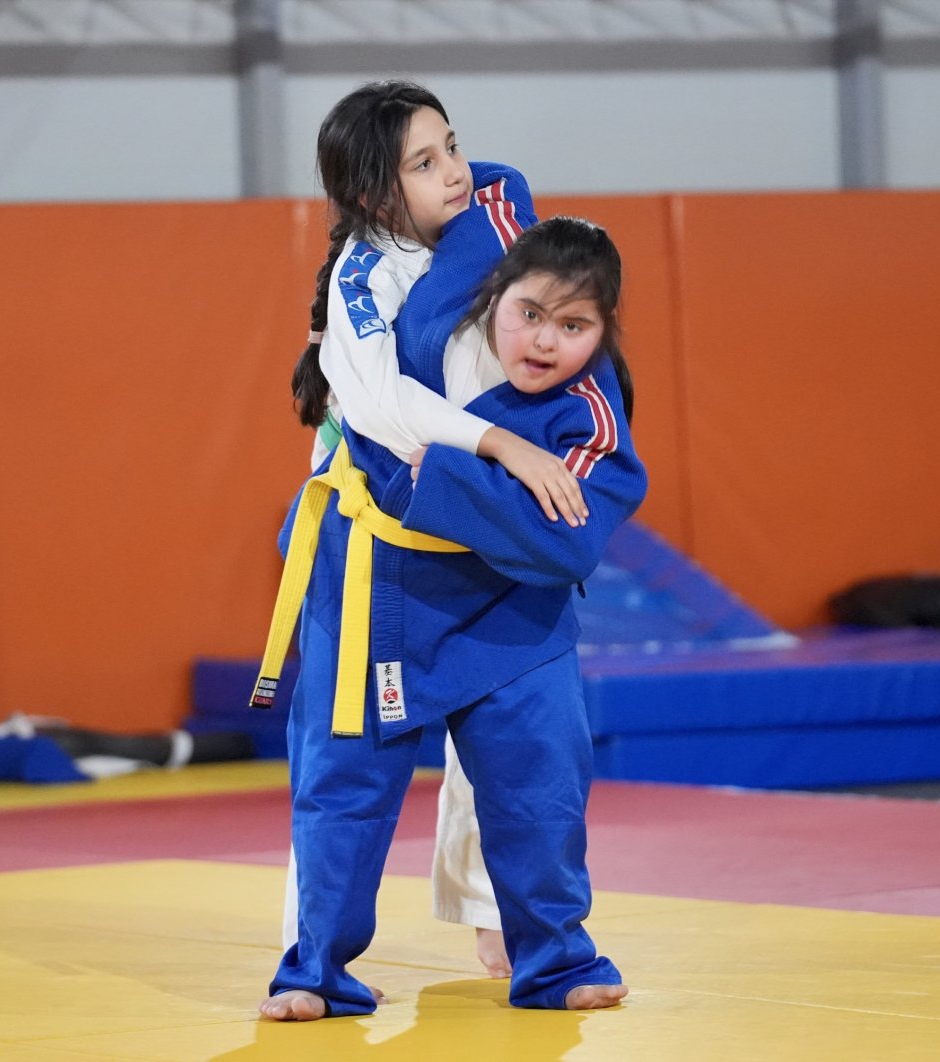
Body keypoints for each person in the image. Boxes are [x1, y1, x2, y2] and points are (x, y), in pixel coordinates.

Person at [255, 203, 645, 1020]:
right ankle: (314, 970)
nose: (543, 341)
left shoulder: (591, 414)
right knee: (341, 786)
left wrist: (421, 475)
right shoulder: (421, 325)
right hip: (376, 585)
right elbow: (478, 192)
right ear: (492, 295)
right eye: (529, 314)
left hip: (509, 614)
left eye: (573, 326)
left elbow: (565, 542)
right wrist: (483, 463)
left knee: (540, 779)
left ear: (604, 334)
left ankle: (553, 959)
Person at [274, 80, 585, 984]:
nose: (454, 170)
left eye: (453, 146)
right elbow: (378, 405)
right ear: (375, 195)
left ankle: (499, 917)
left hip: (478, 522)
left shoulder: (491, 226)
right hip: (374, 536)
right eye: (425, 161)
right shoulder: (363, 277)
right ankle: (310, 954)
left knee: (509, 735)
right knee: (344, 757)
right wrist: (499, 445)